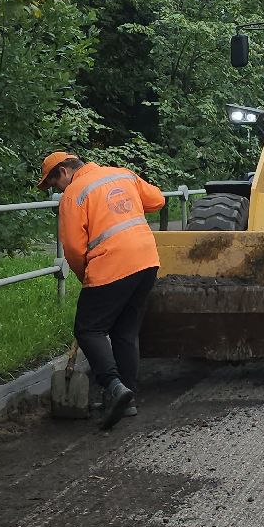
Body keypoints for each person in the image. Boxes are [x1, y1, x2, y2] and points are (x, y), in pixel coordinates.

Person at [40, 151, 165, 430]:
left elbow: (73, 247)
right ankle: (128, 399)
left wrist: (85, 274)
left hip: (111, 264)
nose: (56, 190)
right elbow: (158, 200)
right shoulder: (122, 174)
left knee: (88, 329)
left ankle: (113, 387)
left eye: (53, 183)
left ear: (64, 171)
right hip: (147, 261)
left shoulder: (74, 194)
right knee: (125, 331)